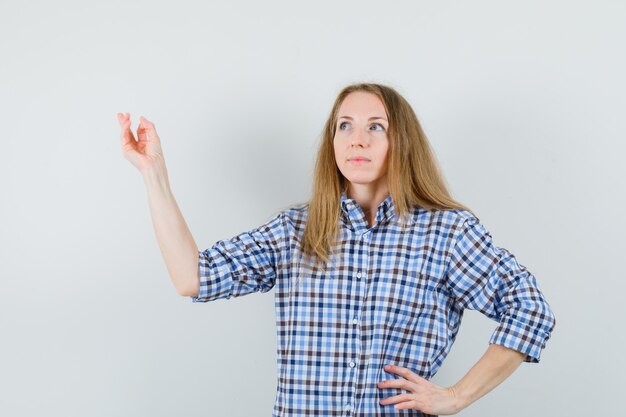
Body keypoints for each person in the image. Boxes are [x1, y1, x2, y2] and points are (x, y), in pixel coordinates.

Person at [117, 82, 556, 416]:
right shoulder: (296, 231)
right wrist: (153, 175)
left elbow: (529, 309)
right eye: (344, 125)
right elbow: (192, 277)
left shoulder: (446, 233)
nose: (356, 139)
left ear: (401, 143)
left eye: (375, 127)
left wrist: (456, 397)